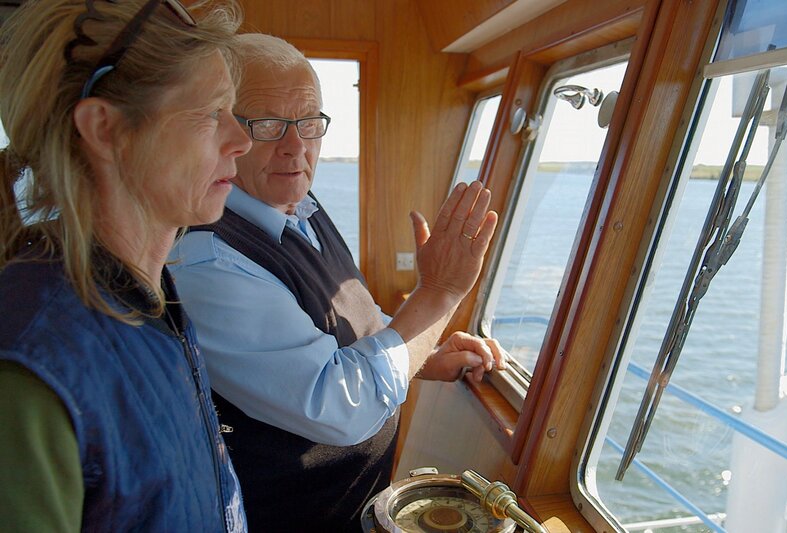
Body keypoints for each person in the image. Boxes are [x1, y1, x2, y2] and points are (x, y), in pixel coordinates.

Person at [169, 33, 505, 531]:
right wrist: (440, 294)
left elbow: (343, 325)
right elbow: (341, 406)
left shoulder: (300, 205)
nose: (296, 147)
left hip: (353, 505)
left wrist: (424, 353)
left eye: (309, 122)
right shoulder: (205, 261)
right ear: (223, 130)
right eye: (267, 124)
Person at [0, 0, 253, 531]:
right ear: (105, 128)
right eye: (212, 113)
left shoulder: (149, 297)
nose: (242, 140)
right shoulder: (32, 368)